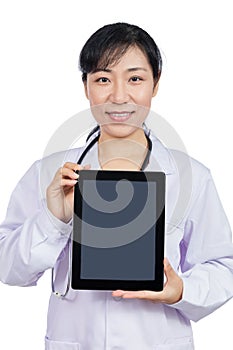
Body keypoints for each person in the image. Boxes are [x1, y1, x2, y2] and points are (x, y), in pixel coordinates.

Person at [0, 22, 233, 350]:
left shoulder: (191, 176)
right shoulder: (49, 172)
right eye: (103, 79)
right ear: (86, 87)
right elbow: (9, 269)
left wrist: (182, 291)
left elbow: (224, 267)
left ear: (155, 84)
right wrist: (55, 219)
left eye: (135, 78)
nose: (119, 96)